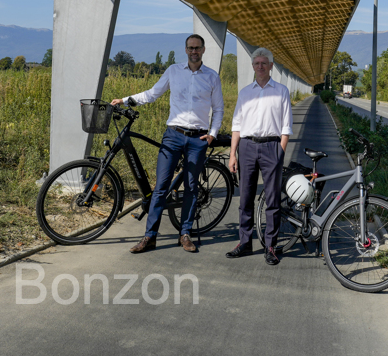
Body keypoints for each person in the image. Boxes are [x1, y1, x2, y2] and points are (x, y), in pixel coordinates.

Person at [111, 34, 224, 254]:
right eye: (190, 48)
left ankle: (185, 234)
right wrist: (125, 100)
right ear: (185, 50)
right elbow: (152, 94)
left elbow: (218, 109)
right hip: (173, 135)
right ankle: (149, 236)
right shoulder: (173, 71)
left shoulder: (212, 77)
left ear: (203, 50)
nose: (194, 51)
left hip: (198, 138)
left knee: (191, 187)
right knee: (161, 187)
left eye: (197, 48)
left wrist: (212, 133)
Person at [227, 47, 293, 266]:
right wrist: (232, 155)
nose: (260, 66)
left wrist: (279, 151)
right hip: (246, 147)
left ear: (271, 66)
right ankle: (245, 243)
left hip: (271, 147)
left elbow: (286, 127)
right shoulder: (245, 92)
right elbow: (237, 125)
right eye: (257, 63)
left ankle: (271, 246)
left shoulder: (282, 91)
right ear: (253, 66)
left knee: (273, 200)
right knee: (245, 198)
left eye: (264, 63)